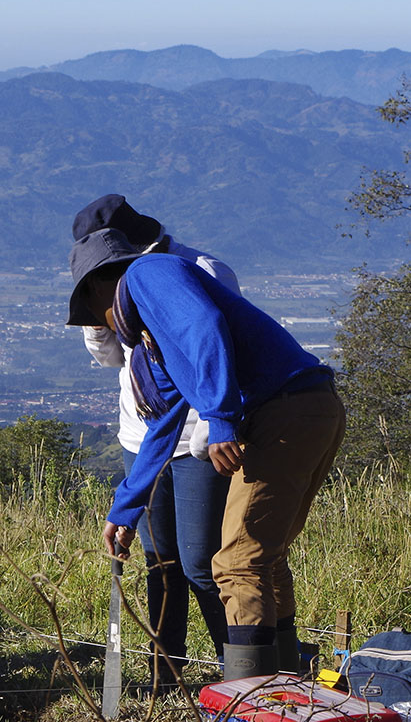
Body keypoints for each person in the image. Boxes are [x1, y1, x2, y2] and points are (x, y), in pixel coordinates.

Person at [72, 227, 345, 679]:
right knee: (264, 557)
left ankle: (251, 704)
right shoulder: (151, 336)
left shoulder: (145, 274)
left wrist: (219, 418)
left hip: (284, 411)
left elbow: (204, 325)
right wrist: (125, 507)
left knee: (237, 561)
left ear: (101, 283)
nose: (99, 323)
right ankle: (286, 686)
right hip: (309, 407)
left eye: (91, 311)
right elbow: (163, 422)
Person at [69, 195, 236, 685]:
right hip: (140, 434)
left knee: (201, 560)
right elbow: (110, 357)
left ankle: (239, 673)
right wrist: (100, 307)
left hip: (198, 439)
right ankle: (166, 673)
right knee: (157, 560)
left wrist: (215, 430)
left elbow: (216, 352)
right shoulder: (115, 285)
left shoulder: (200, 268)